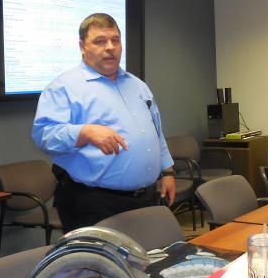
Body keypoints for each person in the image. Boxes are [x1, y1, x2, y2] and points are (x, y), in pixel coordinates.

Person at [32, 13, 176, 232]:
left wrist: (168, 172)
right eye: (100, 41)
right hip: (94, 203)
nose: (110, 47)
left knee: (144, 262)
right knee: (102, 266)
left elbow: (156, 131)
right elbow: (44, 135)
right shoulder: (64, 87)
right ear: (82, 46)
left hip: (144, 198)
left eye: (115, 40)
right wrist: (85, 132)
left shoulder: (138, 86)